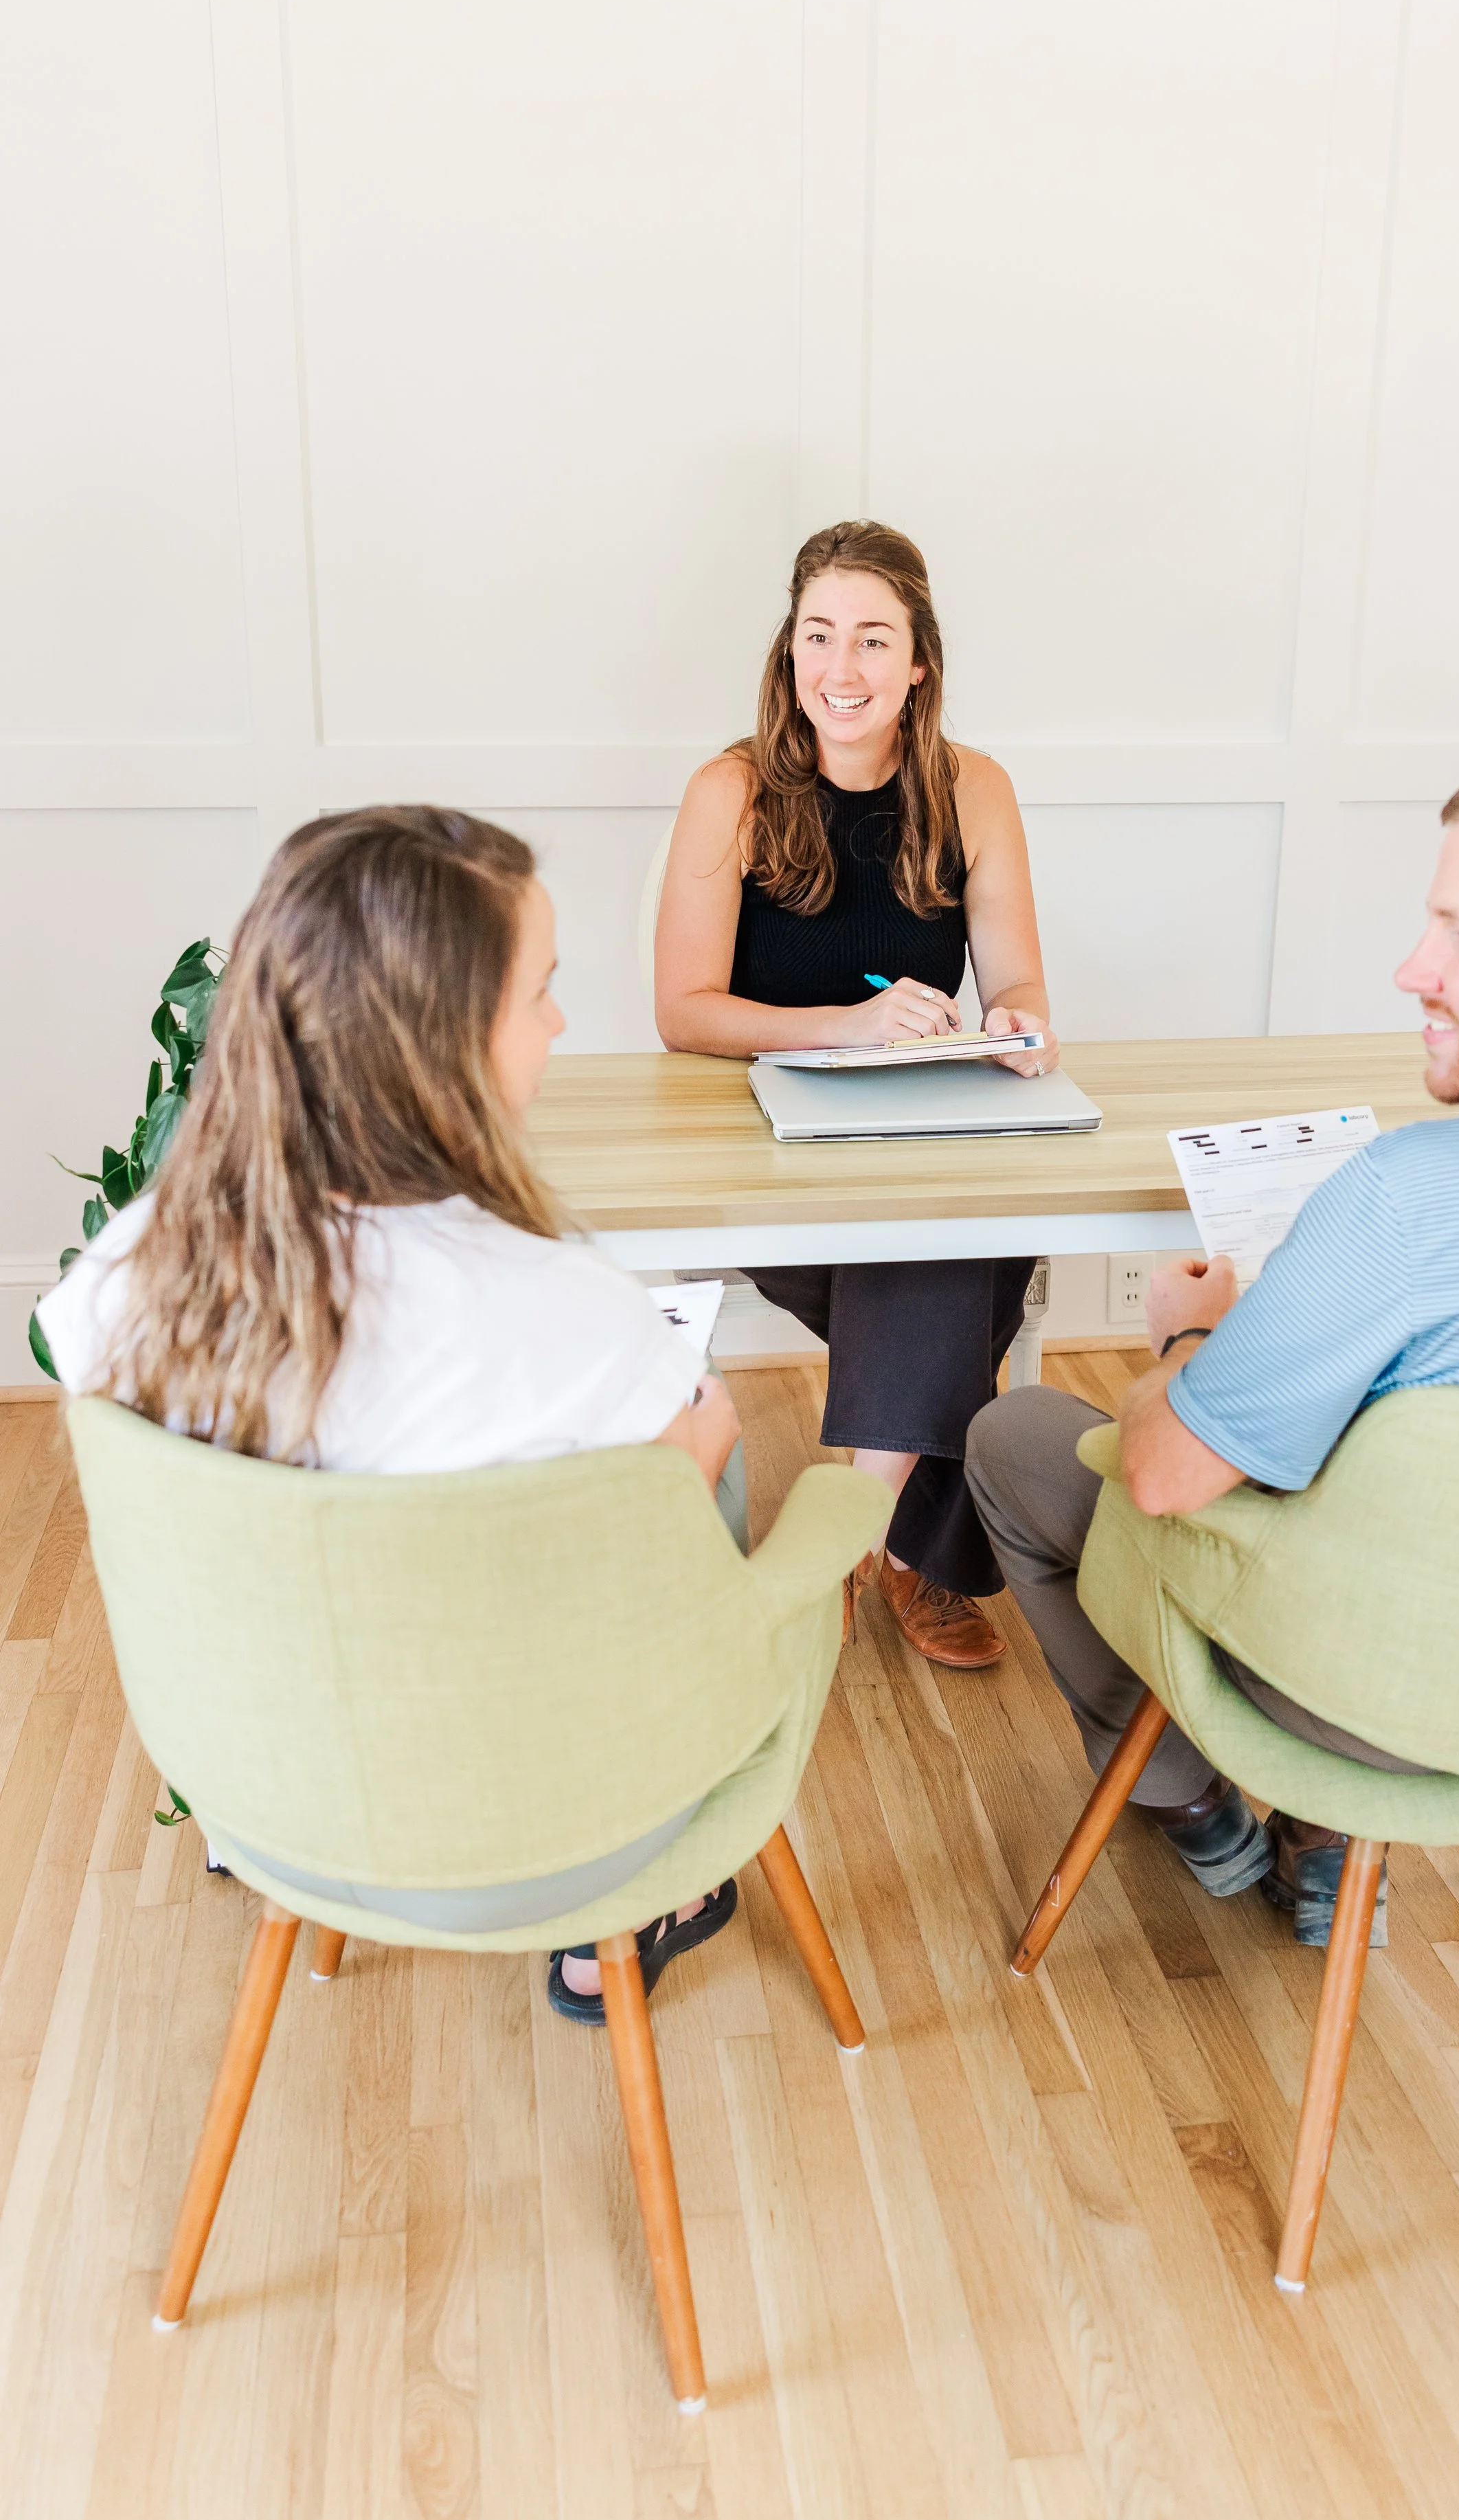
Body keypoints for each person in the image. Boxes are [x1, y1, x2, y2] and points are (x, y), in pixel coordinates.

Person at [966, 755, 1459, 1942]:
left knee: (1018, 1436)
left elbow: (1164, 1477)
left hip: (1372, 1700)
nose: (1414, 968)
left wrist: (1193, 1337)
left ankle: (1193, 1804)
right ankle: (1322, 1853)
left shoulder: (1408, 1197)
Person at [38, 804, 762, 2025]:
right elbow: (666, 1521)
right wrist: (709, 1429)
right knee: (712, 1454)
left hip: (269, 1813)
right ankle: (635, 1917)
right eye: (541, 993)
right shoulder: (565, 1308)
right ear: (444, 1045)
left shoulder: (134, 1265)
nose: (562, 1025)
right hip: (550, 1842)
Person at [655, 520, 1058, 1669]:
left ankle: (852, 1536)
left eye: (874, 640)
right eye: (819, 635)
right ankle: (905, 1552)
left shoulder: (975, 789)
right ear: (789, 651)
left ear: (920, 661)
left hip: (923, 1132)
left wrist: (1018, 1022)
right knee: (949, 1256)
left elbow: (1018, 980)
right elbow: (684, 1010)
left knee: (953, 1229)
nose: (843, 667)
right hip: (761, 1151)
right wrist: (843, 1026)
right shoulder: (731, 790)